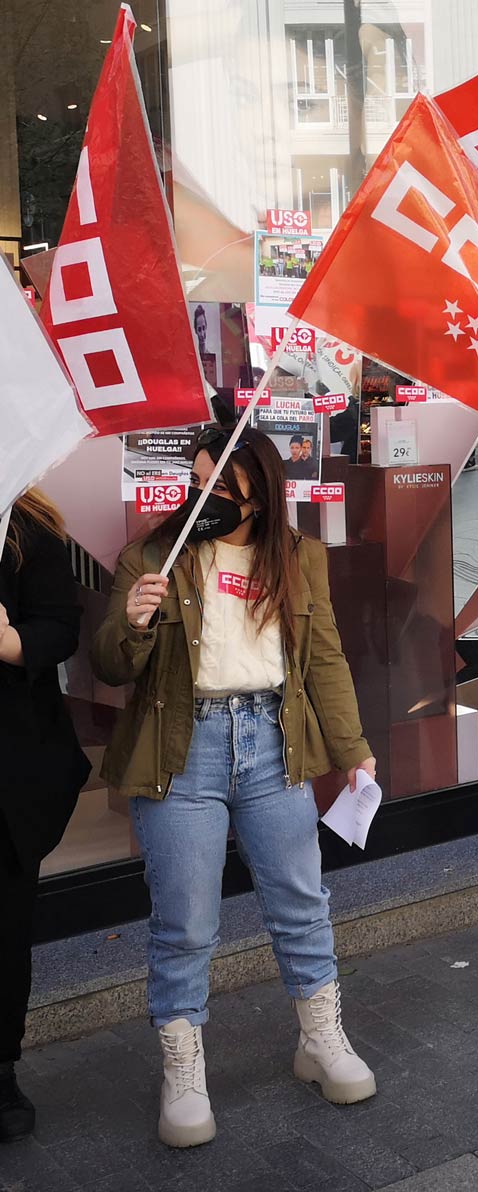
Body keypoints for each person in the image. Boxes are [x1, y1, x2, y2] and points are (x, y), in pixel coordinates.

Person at [92, 430, 377, 1149]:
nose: (204, 498)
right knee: (186, 921)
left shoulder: (299, 557)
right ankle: (183, 1069)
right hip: (181, 751)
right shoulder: (154, 555)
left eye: (219, 487)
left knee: (300, 902)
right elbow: (110, 666)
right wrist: (132, 623)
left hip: (271, 743)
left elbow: (325, 659)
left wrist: (354, 753)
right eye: (197, 483)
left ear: (260, 492)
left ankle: (320, 1038)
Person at [0, 490, 91, 1143]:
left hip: (10, 769)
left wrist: (6, 641)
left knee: (4, 930)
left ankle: (0, 1071)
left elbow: (60, 628)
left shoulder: (27, 526)